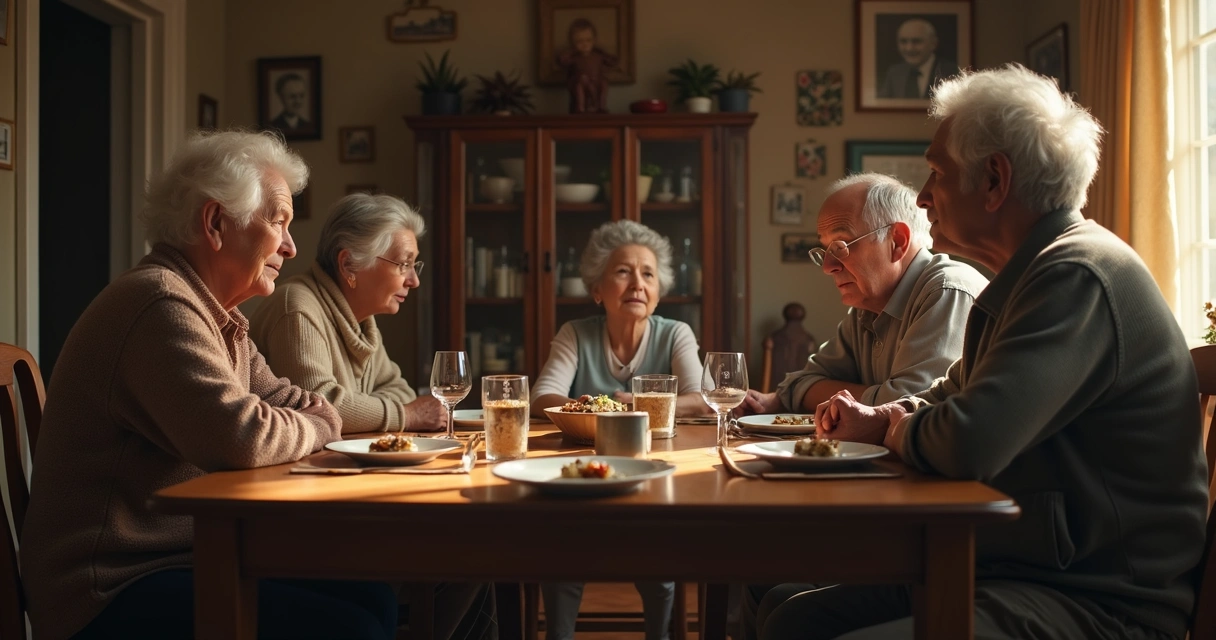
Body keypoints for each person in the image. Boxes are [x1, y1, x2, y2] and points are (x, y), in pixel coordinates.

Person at [758, 64, 1209, 640]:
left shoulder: (1076, 276)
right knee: (791, 616)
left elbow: (968, 440)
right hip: (1021, 566)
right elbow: (950, 396)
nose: (922, 199)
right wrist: (887, 416)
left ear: (995, 180)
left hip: (1100, 600)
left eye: (936, 174)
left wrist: (891, 425)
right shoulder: (1024, 281)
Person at [19, 130, 398, 639]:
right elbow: (244, 437)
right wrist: (319, 421)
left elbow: (291, 401)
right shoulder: (159, 305)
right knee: (352, 627)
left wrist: (316, 417)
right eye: (278, 221)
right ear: (216, 222)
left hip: (182, 558)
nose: (290, 245)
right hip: (106, 590)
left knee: (374, 596)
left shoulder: (216, 315)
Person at [531, 219, 709, 640]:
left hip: (656, 470)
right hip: (581, 473)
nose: (637, 284)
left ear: (659, 291)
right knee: (563, 556)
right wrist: (595, 406)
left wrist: (634, 403)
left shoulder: (675, 333)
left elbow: (702, 399)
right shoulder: (575, 333)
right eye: (623, 272)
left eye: (648, 274)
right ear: (597, 290)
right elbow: (542, 399)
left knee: (654, 557)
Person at [737, 172, 988, 418]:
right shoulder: (867, 305)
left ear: (897, 241)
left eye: (840, 246)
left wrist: (842, 397)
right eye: (825, 250)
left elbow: (904, 410)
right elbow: (800, 382)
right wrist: (870, 397)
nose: (828, 267)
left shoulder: (946, 290)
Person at [250, 193, 448, 434]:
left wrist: (357, 406)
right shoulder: (297, 308)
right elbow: (320, 406)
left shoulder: (360, 321)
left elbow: (400, 389)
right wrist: (407, 415)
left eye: (414, 265)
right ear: (349, 265)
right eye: (403, 264)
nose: (414, 281)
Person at [877, 18, 959, 99]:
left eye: (916, 41)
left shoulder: (951, 71)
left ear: (934, 43)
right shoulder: (894, 73)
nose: (909, 48)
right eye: (903, 41)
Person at [557, 17, 618, 114]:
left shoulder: (597, 55)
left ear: (594, 40)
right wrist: (572, 50)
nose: (585, 44)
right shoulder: (575, 57)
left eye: (588, 40)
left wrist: (600, 49)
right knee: (582, 80)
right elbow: (562, 61)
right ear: (573, 43)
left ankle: (601, 106)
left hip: (595, 83)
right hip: (579, 83)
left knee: (604, 82)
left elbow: (613, 61)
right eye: (579, 41)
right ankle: (580, 108)